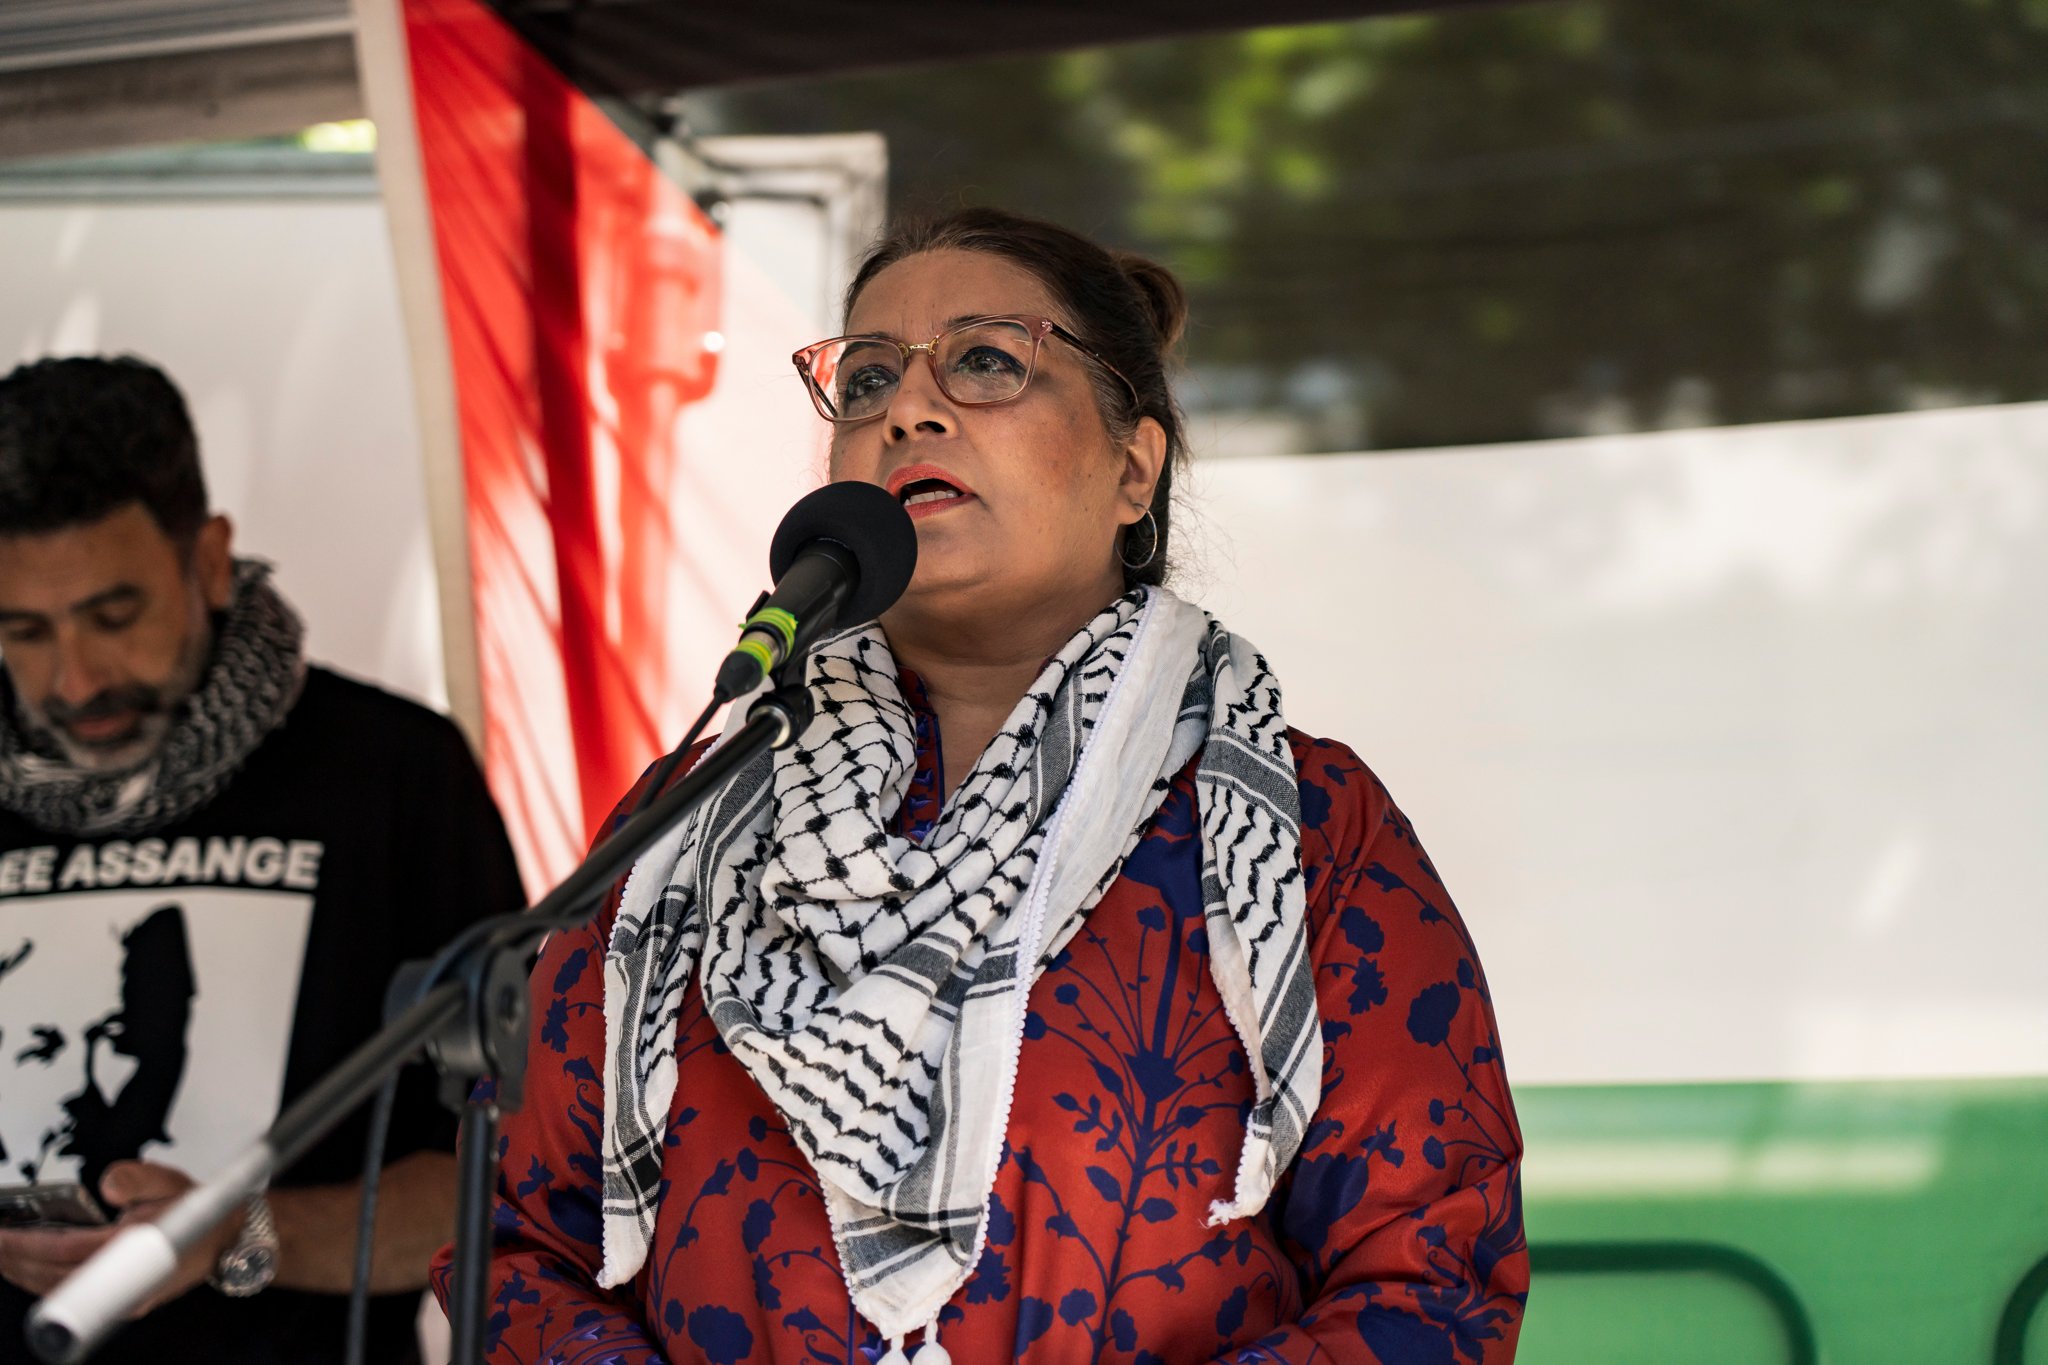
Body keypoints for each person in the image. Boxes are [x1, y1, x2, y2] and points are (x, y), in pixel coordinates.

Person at [447, 208, 1527, 1362]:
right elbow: (514, 1250)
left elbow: (1429, 1282)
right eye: (867, 379)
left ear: (1132, 468)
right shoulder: (688, 823)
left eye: (985, 361)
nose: (907, 409)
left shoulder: (1302, 827)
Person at [0, 356, 527, 1364]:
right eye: (22, 631)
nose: (75, 678)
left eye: (115, 616)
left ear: (208, 560)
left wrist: (241, 1234)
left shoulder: (390, 772)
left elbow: (505, 1178)